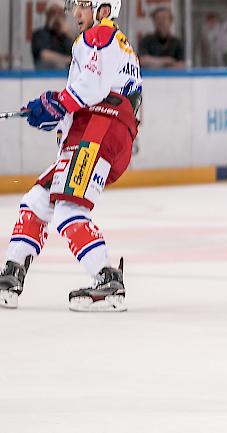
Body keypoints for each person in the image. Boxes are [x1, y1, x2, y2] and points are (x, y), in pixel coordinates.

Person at [0, 0, 142, 312]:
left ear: (104, 8)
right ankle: (11, 275)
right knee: (38, 198)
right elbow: (90, 92)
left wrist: (60, 102)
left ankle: (107, 280)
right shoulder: (112, 43)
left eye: (82, 5)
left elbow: (93, 86)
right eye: (74, 6)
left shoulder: (100, 36)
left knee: (67, 209)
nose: (76, 13)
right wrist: (55, 113)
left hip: (100, 129)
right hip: (100, 130)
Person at [31, 1, 74, 70]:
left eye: (60, 13)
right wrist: (69, 60)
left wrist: (69, 34)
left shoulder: (67, 37)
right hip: (45, 77)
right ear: (47, 16)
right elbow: (45, 55)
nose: (56, 17)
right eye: (53, 13)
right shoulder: (40, 34)